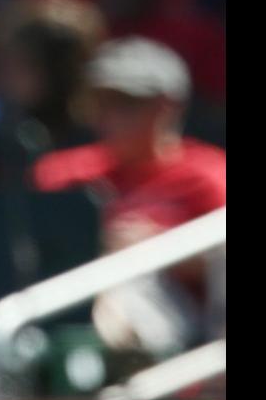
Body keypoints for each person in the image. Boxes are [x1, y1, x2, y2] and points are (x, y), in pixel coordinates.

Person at [30, 37, 225, 363]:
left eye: (124, 102)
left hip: (179, 328)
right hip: (65, 303)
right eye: (100, 102)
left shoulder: (209, 175)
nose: (107, 116)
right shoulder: (65, 172)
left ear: (166, 106)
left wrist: (158, 245)